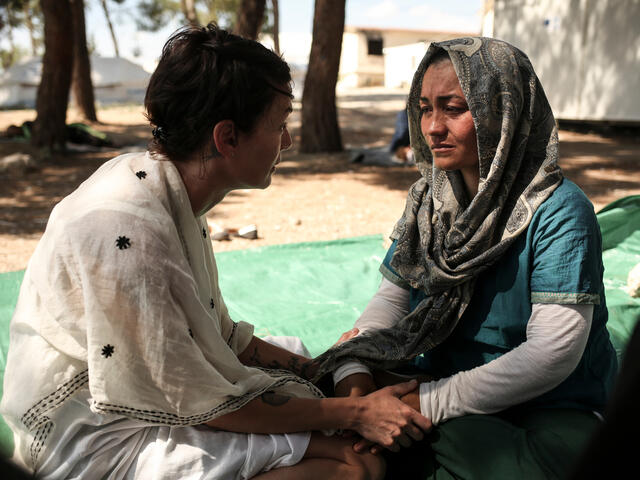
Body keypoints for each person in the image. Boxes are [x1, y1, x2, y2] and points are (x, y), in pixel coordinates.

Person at [0, 24, 432, 479]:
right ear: (226, 138)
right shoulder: (125, 228)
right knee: (354, 463)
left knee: (323, 391)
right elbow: (196, 399)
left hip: (172, 400)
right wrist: (353, 413)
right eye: (280, 123)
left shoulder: (167, 189)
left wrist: (326, 370)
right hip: (94, 437)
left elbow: (220, 338)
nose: (286, 142)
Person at [313, 37, 618, 479]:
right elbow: (392, 301)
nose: (433, 126)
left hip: (547, 403)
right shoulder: (428, 201)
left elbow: (553, 353)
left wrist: (427, 404)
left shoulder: (559, 210)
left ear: (505, 111)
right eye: (424, 108)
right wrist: (357, 383)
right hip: (437, 379)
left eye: (453, 108)